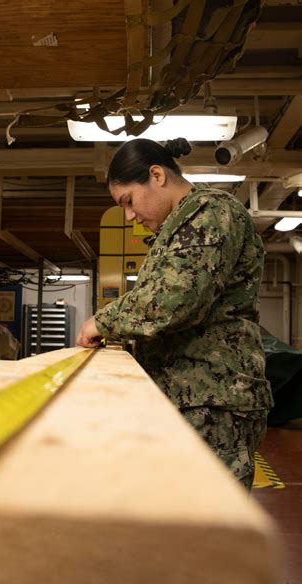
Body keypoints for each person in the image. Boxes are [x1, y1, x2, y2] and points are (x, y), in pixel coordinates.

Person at [76, 137, 273, 490]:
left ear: (157, 175)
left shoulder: (211, 212)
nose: (130, 215)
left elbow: (176, 299)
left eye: (129, 201)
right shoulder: (175, 230)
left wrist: (103, 321)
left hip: (213, 402)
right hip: (189, 399)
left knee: (206, 522)